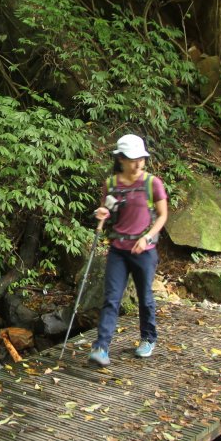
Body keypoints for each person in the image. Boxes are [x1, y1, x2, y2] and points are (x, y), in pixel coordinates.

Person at [88, 134, 168, 366]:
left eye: (141, 159)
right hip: (118, 250)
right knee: (111, 298)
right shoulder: (112, 184)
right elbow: (108, 209)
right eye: (133, 159)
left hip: (144, 250)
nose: (138, 163)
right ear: (121, 159)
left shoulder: (152, 183)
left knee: (145, 297)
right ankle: (101, 347)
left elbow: (162, 215)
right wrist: (101, 212)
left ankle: (148, 338)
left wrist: (147, 237)